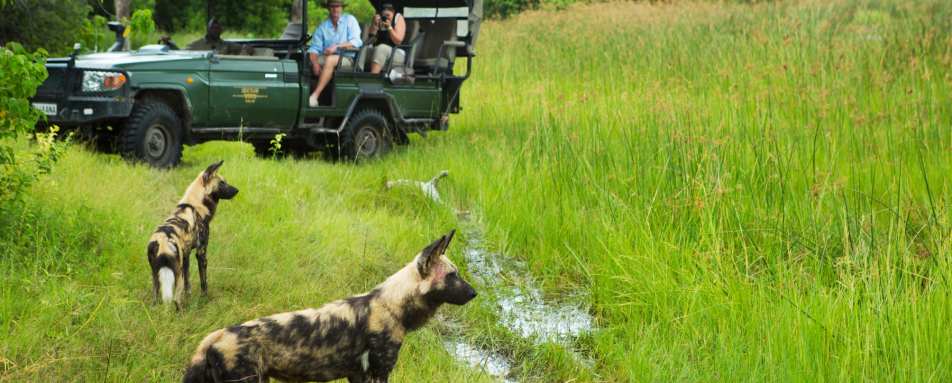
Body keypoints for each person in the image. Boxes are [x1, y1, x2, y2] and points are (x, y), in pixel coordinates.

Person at [307, 0, 362, 107]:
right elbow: (314, 48)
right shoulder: (323, 26)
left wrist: (337, 46)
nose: (335, 9)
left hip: (348, 58)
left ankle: (315, 96)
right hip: (328, 56)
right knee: (309, 59)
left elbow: (357, 42)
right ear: (328, 8)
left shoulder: (350, 20)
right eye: (332, 6)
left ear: (342, 8)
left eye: (338, 6)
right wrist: (315, 63)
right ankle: (314, 96)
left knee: (330, 60)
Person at [366, 3, 406, 74]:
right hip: (377, 49)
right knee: (364, 49)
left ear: (393, 12)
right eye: (384, 15)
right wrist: (374, 25)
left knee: (381, 48)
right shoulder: (379, 17)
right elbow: (370, 38)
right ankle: (357, 74)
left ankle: (372, 77)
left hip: (396, 53)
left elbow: (398, 41)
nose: (386, 18)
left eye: (388, 15)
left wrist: (389, 28)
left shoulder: (398, 17)